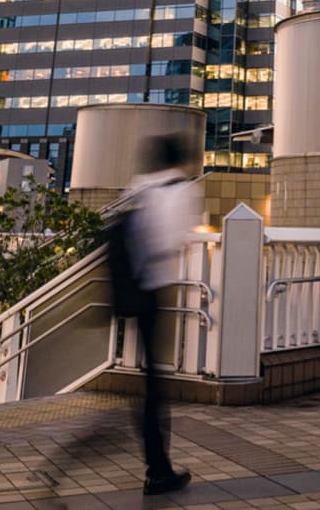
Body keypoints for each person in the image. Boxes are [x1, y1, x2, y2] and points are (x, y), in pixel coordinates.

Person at [120, 134, 201, 496]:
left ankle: (158, 463)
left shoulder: (140, 186)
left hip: (130, 287)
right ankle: (158, 468)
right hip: (155, 289)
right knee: (156, 381)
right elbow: (172, 240)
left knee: (150, 378)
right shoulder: (182, 190)